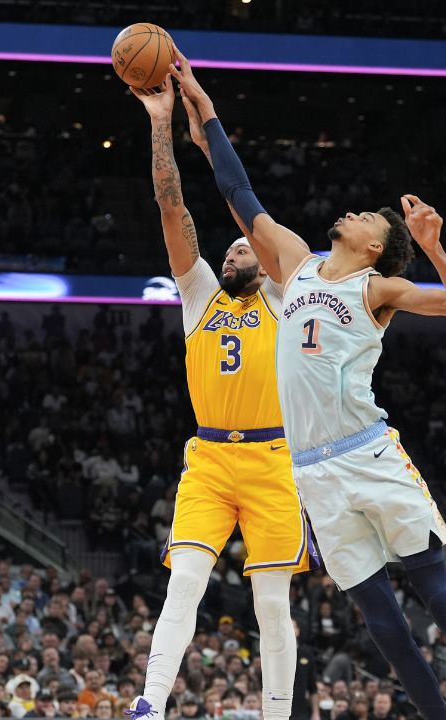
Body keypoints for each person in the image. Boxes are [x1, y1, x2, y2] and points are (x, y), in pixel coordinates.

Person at [173, 54, 446, 720]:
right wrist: (206, 113)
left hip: (370, 455)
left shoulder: (376, 288)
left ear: (372, 248)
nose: (355, 213)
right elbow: (239, 194)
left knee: (438, 596)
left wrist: (434, 246)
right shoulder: (294, 262)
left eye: (368, 221)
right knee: (384, 625)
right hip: (313, 473)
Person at [123, 71, 312, 720]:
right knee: (185, 584)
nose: (232, 252)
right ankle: (148, 703)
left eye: (242, 248)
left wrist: (208, 124)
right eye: (227, 249)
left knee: (270, 603)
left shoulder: (289, 299)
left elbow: (247, 206)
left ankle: (277, 714)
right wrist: (159, 122)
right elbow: (171, 208)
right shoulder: (200, 293)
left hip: (274, 461)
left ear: (262, 261)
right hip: (207, 460)